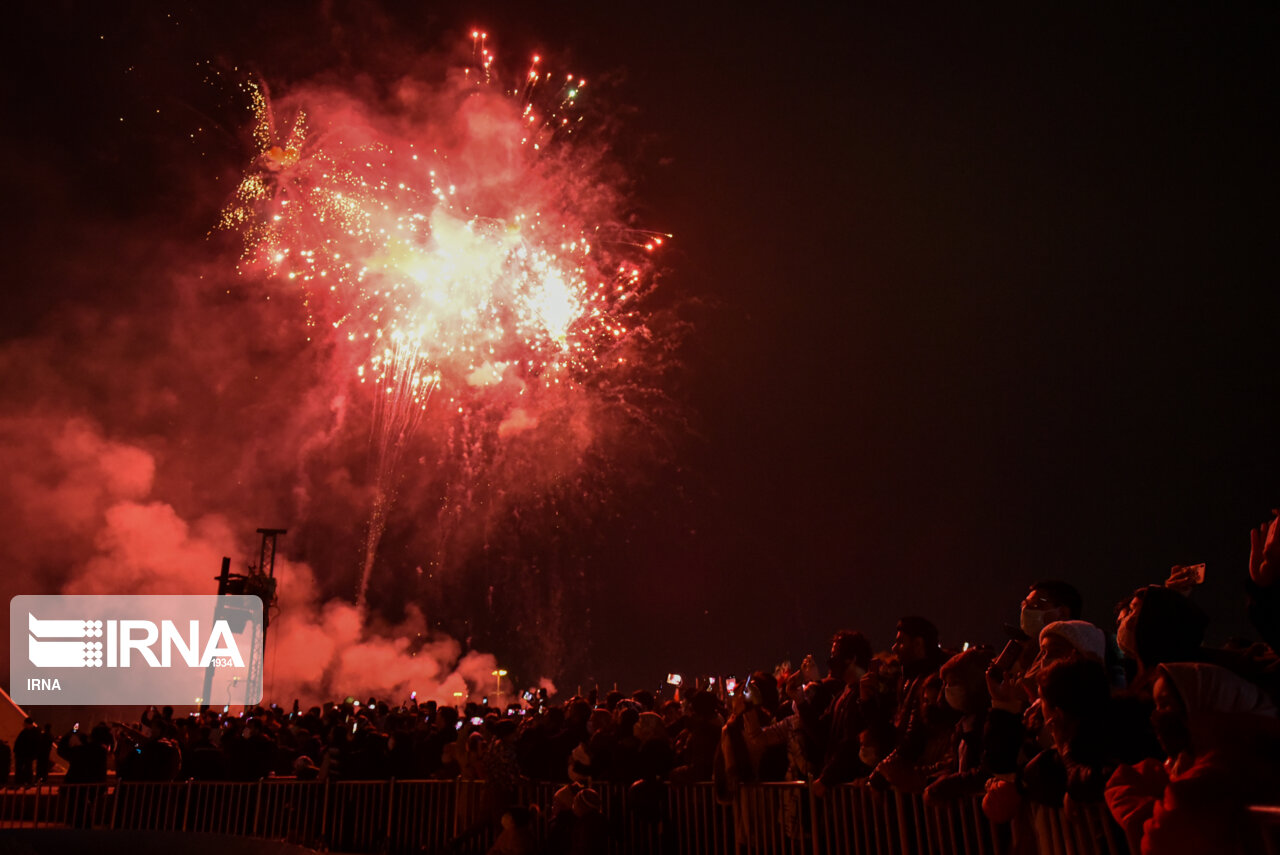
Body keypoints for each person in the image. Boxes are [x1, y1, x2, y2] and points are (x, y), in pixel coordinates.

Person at [1106, 662, 1280, 855]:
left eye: (1165, 705)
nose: (1155, 716)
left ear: (1202, 705)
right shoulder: (1212, 760)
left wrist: (1151, 812)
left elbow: (1157, 841)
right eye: (1155, 706)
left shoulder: (1210, 778)